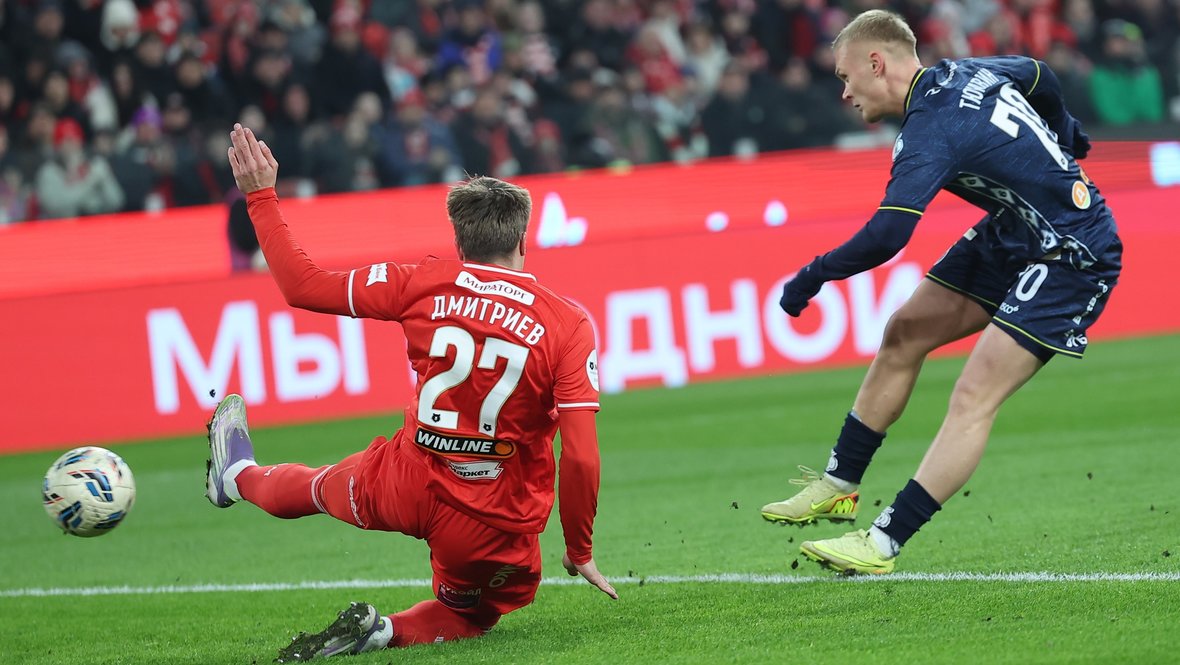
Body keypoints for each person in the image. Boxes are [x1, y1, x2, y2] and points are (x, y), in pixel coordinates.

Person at [207, 124, 616, 662]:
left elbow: (302, 285)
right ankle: (383, 631)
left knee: (316, 488)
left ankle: (236, 477)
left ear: (459, 243)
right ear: (522, 241)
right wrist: (579, 548)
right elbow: (580, 455)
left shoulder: (420, 282)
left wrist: (260, 196)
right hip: (490, 515)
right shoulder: (567, 324)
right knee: (471, 614)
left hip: (405, 480)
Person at [759, 10, 1121, 575]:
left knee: (973, 394)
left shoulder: (931, 128)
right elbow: (1039, 73)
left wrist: (813, 275)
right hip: (1013, 230)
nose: (845, 92)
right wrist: (1065, 128)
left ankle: (882, 542)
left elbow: (887, 235)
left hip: (1071, 251)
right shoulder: (965, 71)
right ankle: (838, 484)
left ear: (876, 63)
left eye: (845, 77)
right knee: (903, 332)